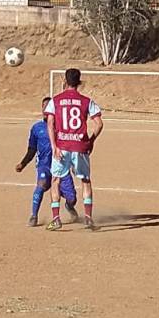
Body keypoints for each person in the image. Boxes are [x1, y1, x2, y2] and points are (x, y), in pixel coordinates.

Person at [44, 68, 103, 231]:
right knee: (85, 181)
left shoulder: (55, 101)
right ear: (79, 82)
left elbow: (50, 124)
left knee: (55, 180)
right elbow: (99, 123)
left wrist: (54, 146)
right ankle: (89, 217)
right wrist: (90, 141)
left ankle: (56, 218)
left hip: (62, 147)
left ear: (65, 80)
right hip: (80, 146)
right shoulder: (86, 101)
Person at [15, 97, 79, 227]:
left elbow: (70, 146)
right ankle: (34, 216)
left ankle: (69, 206)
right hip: (44, 166)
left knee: (72, 198)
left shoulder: (62, 126)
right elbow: (32, 149)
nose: (45, 109)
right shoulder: (36, 128)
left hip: (61, 165)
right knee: (41, 185)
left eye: (48, 106)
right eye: (43, 106)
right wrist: (23, 163)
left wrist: (73, 164)